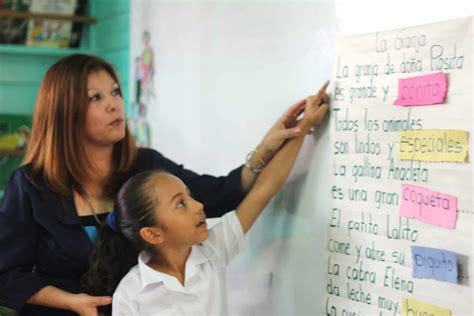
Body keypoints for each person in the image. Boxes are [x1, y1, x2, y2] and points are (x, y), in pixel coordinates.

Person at [0, 53, 317, 315]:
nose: (114, 104)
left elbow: (221, 195)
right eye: (95, 98)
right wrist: (71, 301)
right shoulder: (30, 186)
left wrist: (272, 144)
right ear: (65, 114)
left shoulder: (147, 166)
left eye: (115, 92)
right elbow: (6, 276)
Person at [83, 81, 329, 315]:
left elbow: (265, 187)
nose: (198, 205)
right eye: (181, 203)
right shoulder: (131, 293)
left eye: (189, 196)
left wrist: (304, 127)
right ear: (153, 234)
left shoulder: (212, 250)